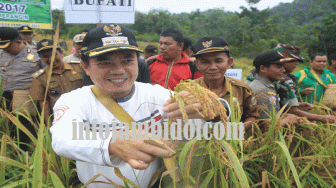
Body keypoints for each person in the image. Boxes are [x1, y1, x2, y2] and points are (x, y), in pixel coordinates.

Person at [50, 23, 230, 188]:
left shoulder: (156, 94)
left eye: (127, 60)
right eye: (105, 62)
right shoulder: (74, 100)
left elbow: (200, 120)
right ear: (86, 67)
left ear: (138, 62)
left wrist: (215, 109)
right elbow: (61, 139)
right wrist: (111, 144)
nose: (119, 70)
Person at [193, 36, 259, 130]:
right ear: (197, 65)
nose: (212, 67)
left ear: (229, 62)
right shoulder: (187, 90)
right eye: (205, 62)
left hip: (231, 143)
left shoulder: (242, 89)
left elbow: (253, 115)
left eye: (218, 61)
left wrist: (235, 131)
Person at [0, 27, 46, 150]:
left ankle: (29, 155)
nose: (5, 50)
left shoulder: (36, 53)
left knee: (27, 129)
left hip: (28, 97)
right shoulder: (1, 53)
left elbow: (46, 75)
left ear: (18, 42)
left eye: (7, 47)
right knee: (8, 128)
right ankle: (11, 152)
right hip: (7, 96)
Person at [274, 44, 336, 123]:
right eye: (319, 61)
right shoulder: (299, 75)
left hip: (317, 110)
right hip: (295, 115)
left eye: (324, 61)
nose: (321, 63)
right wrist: (322, 118)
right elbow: (291, 109)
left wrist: (299, 104)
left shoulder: (330, 75)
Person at [30, 39, 83, 124]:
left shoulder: (79, 67)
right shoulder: (40, 77)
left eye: (54, 54)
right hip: (60, 118)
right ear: (40, 57)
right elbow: (44, 103)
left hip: (84, 112)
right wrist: (50, 126)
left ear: (61, 53)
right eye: (45, 56)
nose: (51, 59)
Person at [249, 50, 299, 127]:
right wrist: (286, 121)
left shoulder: (263, 86)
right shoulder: (264, 91)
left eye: (283, 66)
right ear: (263, 68)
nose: (283, 70)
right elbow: (266, 127)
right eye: (279, 67)